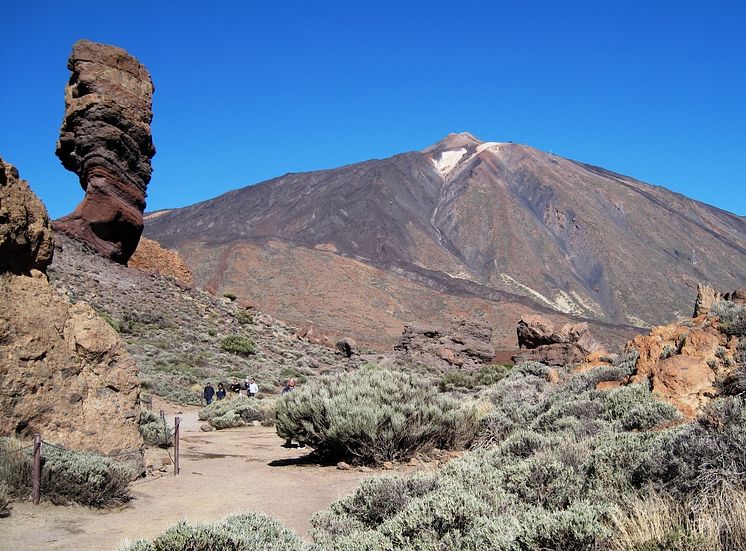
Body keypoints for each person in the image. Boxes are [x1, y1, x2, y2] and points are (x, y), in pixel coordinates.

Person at [281, 379, 304, 448]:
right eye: (290, 382)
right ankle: (288, 444)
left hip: (295, 410)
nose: (291, 383)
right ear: (288, 383)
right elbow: (282, 397)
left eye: (293, 382)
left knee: (298, 427)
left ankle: (302, 445)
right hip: (287, 409)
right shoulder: (285, 390)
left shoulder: (296, 390)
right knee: (288, 427)